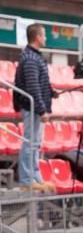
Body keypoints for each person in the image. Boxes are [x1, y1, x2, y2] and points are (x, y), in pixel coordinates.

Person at [13, 23, 55, 190]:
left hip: (35, 106)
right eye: (44, 35)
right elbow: (32, 86)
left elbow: (40, 83)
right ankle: (26, 179)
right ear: (37, 37)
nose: (45, 38)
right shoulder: (31, 58)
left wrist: (51, 92)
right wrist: (41, 109)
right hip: (32, 108)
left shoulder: (35, 56)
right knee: (30, 143)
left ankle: (35, 177)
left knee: (35, 144)